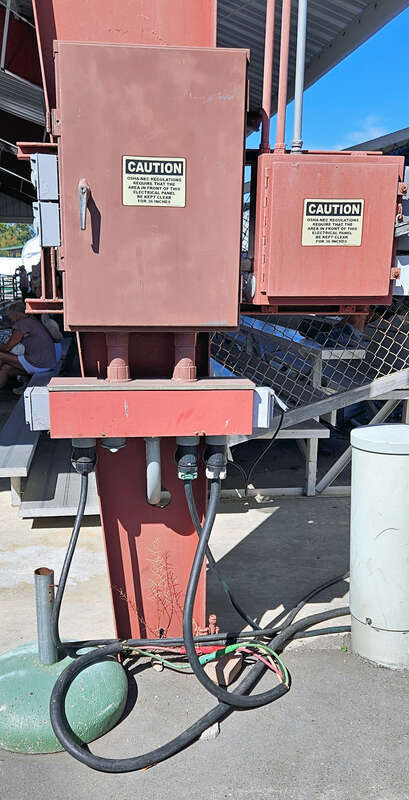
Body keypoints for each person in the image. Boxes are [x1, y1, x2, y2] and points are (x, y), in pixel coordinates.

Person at [0, 301, 56, 389]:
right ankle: (24, 386)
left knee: (2, 356)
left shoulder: (22, 324)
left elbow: (7, 347)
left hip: (38, 363)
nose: (10, 318)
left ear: (17, 314)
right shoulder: (31, 320)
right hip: (48, 363)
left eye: (11, 315)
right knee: (6, 368)